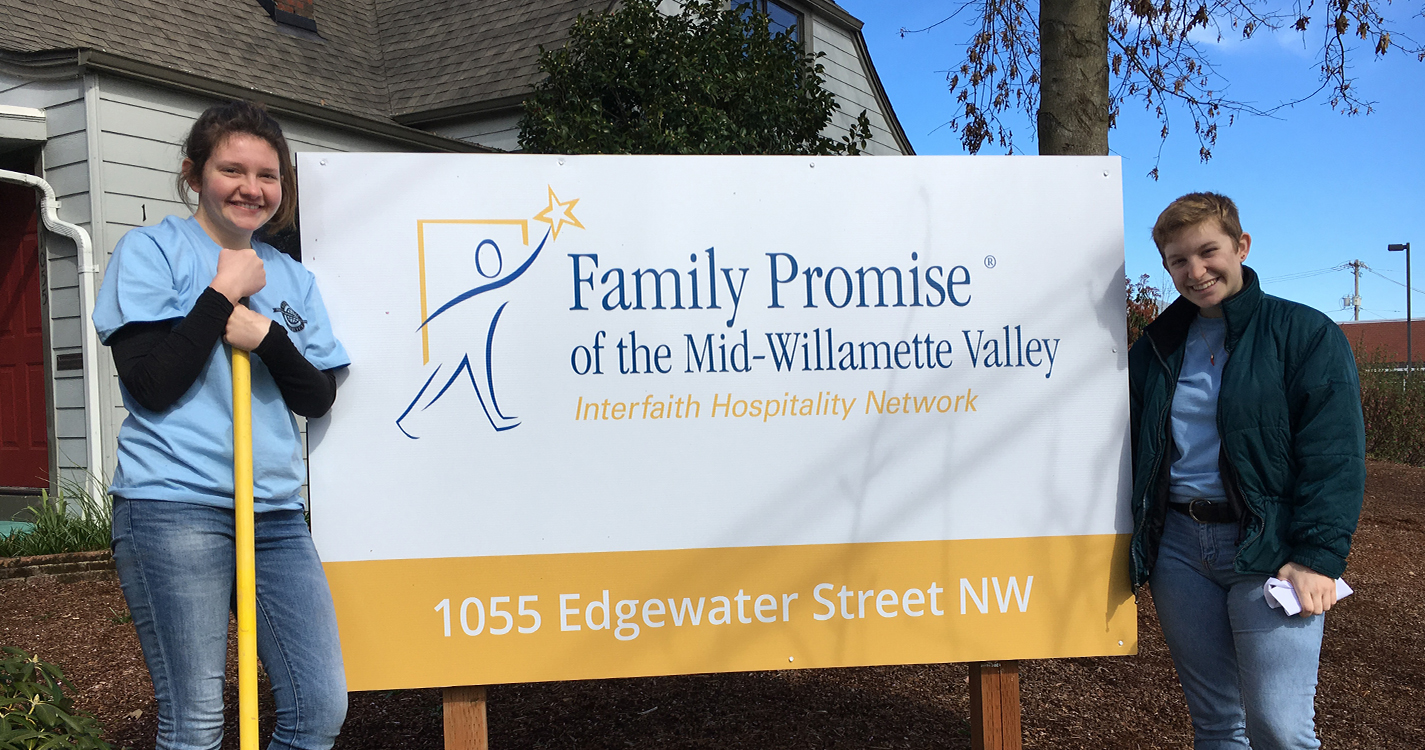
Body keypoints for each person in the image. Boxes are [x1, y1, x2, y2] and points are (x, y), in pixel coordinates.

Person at [93, 100, 349, 750]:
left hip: (276, 519)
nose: (251, 187)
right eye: (231, 169)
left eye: (267, 175)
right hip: (173, 509)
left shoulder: (292, 278)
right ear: (193, 173)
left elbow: (316, 396)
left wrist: (266, 336)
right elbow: (150, 387)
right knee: (198, 722)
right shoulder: (151, 250)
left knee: (319, 708)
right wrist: (219, 296)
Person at [1127, 192, 1365, 749]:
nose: (1196, 271)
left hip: (1270, 549)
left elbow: (1335, 456)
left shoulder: (1304, 334)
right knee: (1217, 726)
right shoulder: (1156, 347)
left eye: (1208, 252)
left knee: (1280, 728)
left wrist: (1317, 558)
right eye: (1178, 261)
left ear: (1241, 245)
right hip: (1180, 552)